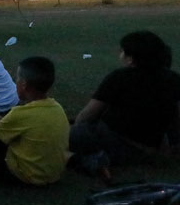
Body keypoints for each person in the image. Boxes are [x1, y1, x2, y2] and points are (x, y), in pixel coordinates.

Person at [70, 31, 180, 175]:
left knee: (68, 134)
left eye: (123, 52)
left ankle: (92, 161)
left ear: (131, 58)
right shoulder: (173, 79)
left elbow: (88, 115)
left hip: (117, 141)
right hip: (149, 146)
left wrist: (77, 128)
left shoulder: (119, 77)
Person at [0, 56, 70, 186]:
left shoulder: (20, 114)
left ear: (23, 85)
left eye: (17, 79)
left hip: (24, 177)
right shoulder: (57, 108)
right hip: (53, 175)